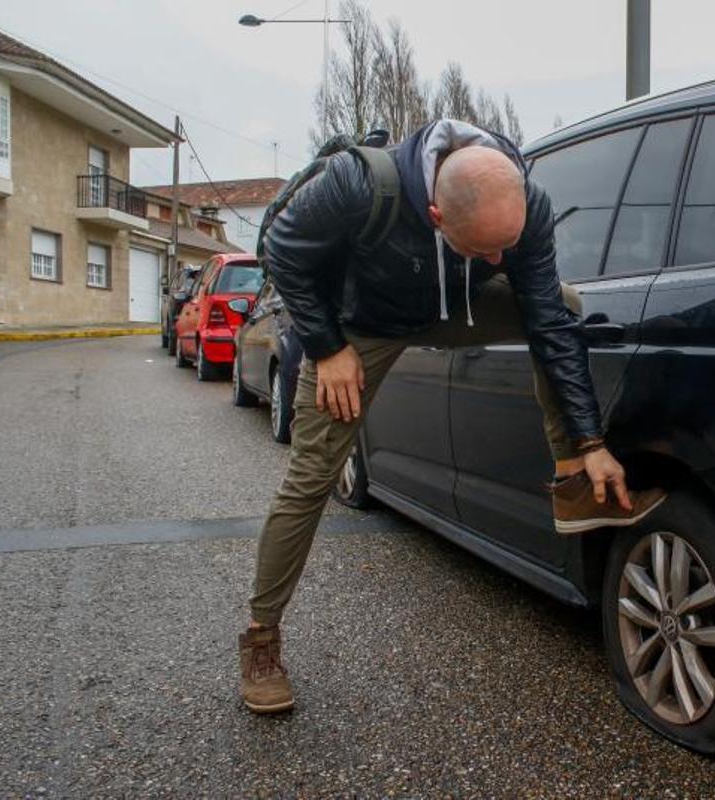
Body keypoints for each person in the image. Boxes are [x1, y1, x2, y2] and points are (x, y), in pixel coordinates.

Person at [239, 119, 665, 714]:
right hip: (363, 324)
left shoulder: (524, 205)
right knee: (311, 477)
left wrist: (590, 439)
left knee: (563, 304)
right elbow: (283, 251)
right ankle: (262, 638)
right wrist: (325, 345)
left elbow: (547, 323)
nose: (499, 259)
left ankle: (573, 480)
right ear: (437, 216)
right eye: (486, 250)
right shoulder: (359, 183)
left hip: (451, 306)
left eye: (505, 248)